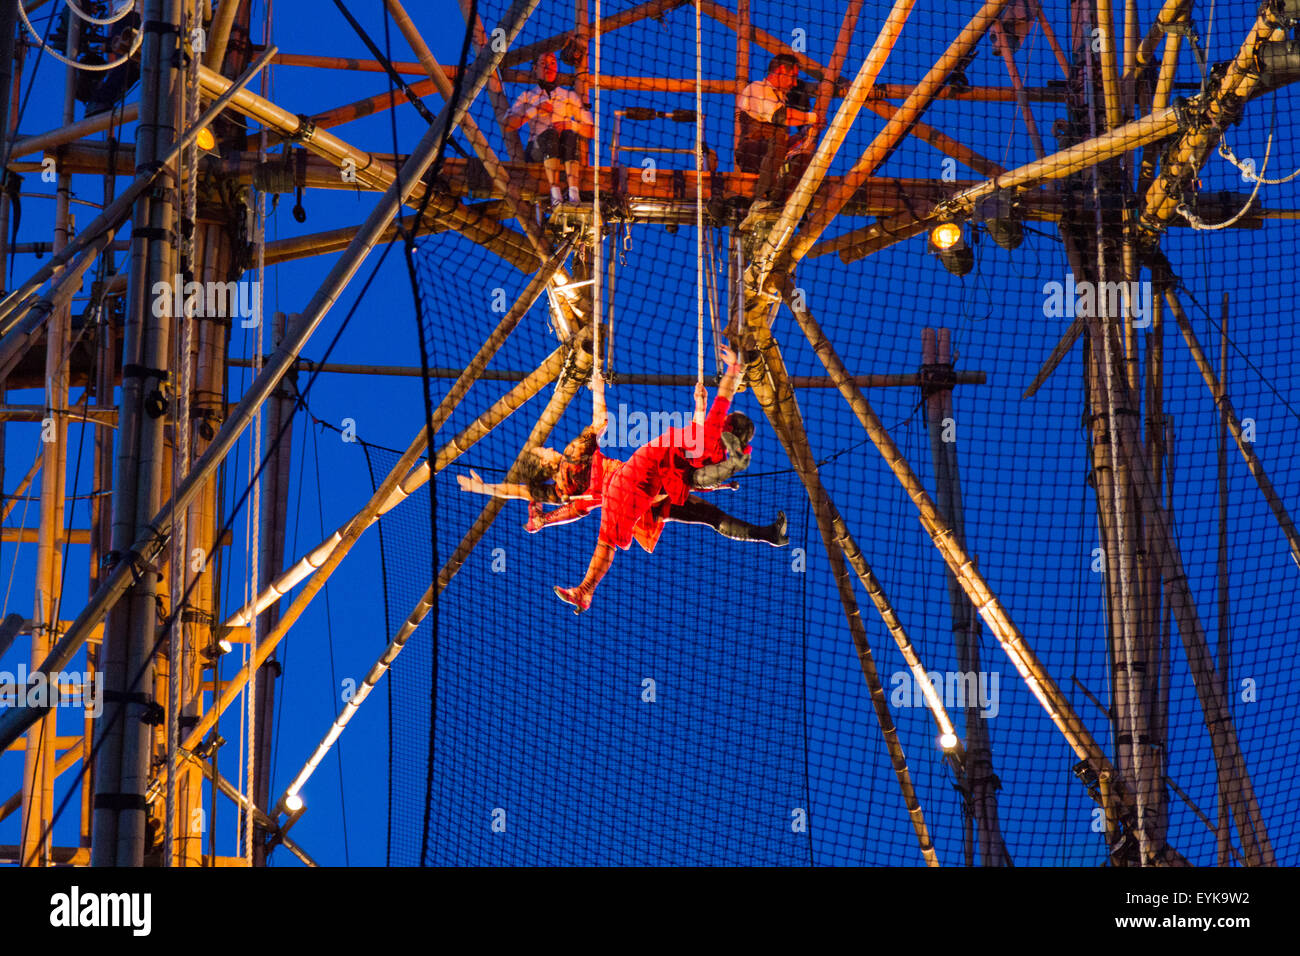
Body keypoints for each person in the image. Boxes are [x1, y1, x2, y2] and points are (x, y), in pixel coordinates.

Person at [552, 346, 776, 613]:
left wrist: (734, 370)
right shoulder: (712, 444)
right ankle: (584, 591)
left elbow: (723, 398)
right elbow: (698, 446)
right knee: (701, 510)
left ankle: (585, 591)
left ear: (727, 425)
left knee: (607, 539)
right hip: (645, 479)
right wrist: (703, 402)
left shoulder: (712, 434)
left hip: (636, 480)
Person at [506, 51, 595, 207]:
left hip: (565, 150)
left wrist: (570, 124)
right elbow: (508, 124)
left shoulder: (568, 95)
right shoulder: (528, 96)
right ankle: (555, 193)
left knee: (570, 133)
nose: (549, 67)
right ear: (535, 68)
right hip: (538, 149)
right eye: (543, 63)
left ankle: (574, 193)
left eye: (553, 63)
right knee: (550, 133)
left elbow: (591, 131)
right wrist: (534, 110)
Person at [736, 54, 821, 204]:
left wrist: (802, 134)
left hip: (770, 157)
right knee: (779, 141)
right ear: (781, 70)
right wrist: (813, 118)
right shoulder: (758, 89)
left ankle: (779, 201)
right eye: (793, 77)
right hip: (752, 154)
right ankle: (763, 197)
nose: (794, 83)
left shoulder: (779, 97)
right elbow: (781, 116)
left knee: (803, 160)